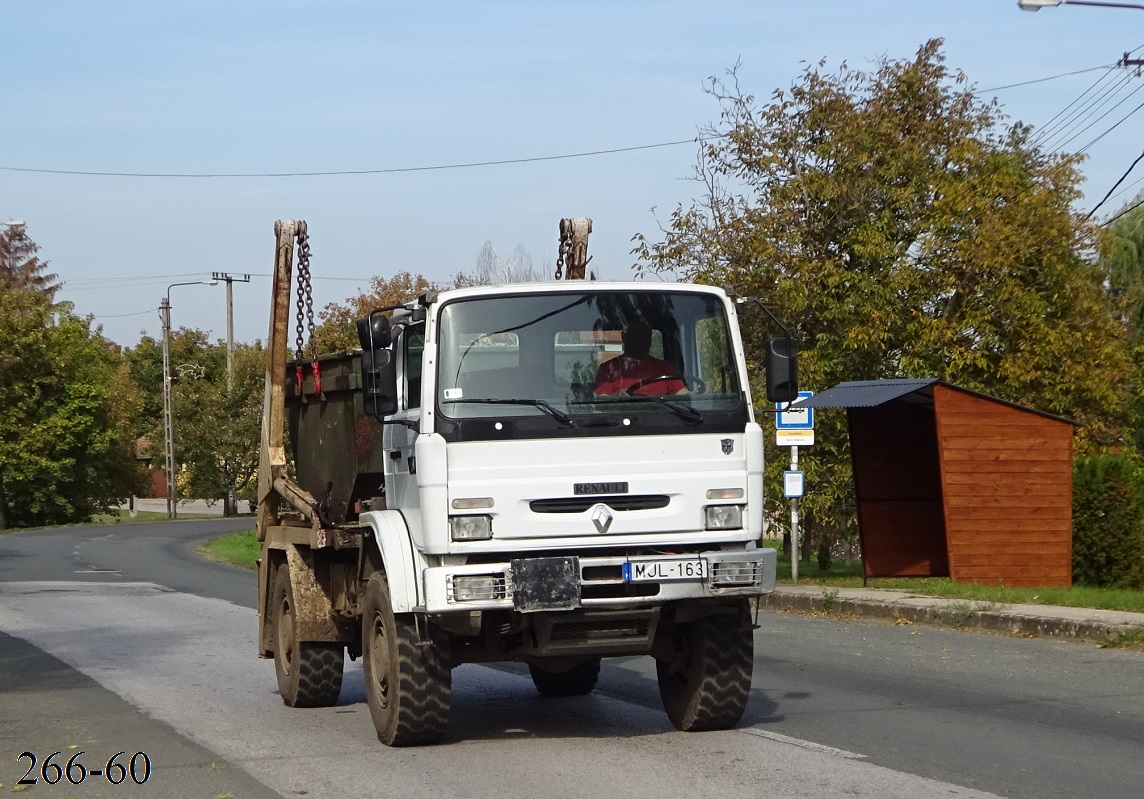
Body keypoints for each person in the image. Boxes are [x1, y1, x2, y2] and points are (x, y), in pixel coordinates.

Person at [594, 321, 687, 396]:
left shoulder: (665, 369)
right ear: (624, 338)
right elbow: (602, 401)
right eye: (636, 336)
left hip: (661, 417)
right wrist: (616, 397)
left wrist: (698, 397)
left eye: (645, 336)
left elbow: (682, 394)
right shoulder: (608, 369)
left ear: (650, 340)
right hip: (619, 417)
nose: (640, 341)